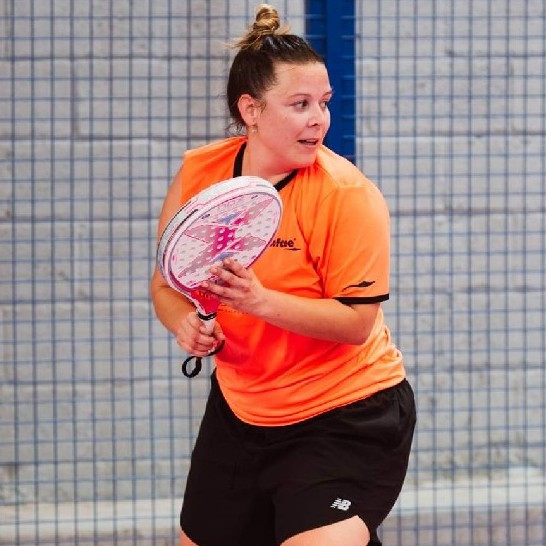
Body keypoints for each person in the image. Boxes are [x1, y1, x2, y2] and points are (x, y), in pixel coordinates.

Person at [151, 4, 416, 546]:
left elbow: (356, 324)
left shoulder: (347, 195)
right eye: (300, 104)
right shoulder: (201, 172)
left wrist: (259, 301)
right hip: (242, 410)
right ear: (250, 109)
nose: (318, 118)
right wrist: (184, 324)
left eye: (324, 103)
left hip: (344, 413)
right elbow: (166, 284)